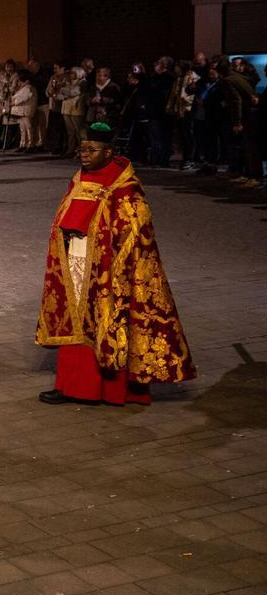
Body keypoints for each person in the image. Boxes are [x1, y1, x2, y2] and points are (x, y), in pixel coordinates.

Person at [36, 123, 195, 406]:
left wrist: (101, 237)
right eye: (82, 149)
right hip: (76, 260)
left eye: (92, 150)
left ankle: (109, 390)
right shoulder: (79, 178)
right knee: (75, 322)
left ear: (109, 151)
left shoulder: (125, 185)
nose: (84, 154)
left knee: (105, 324)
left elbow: (135, 228)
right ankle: (71, 385)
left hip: (110, 270)